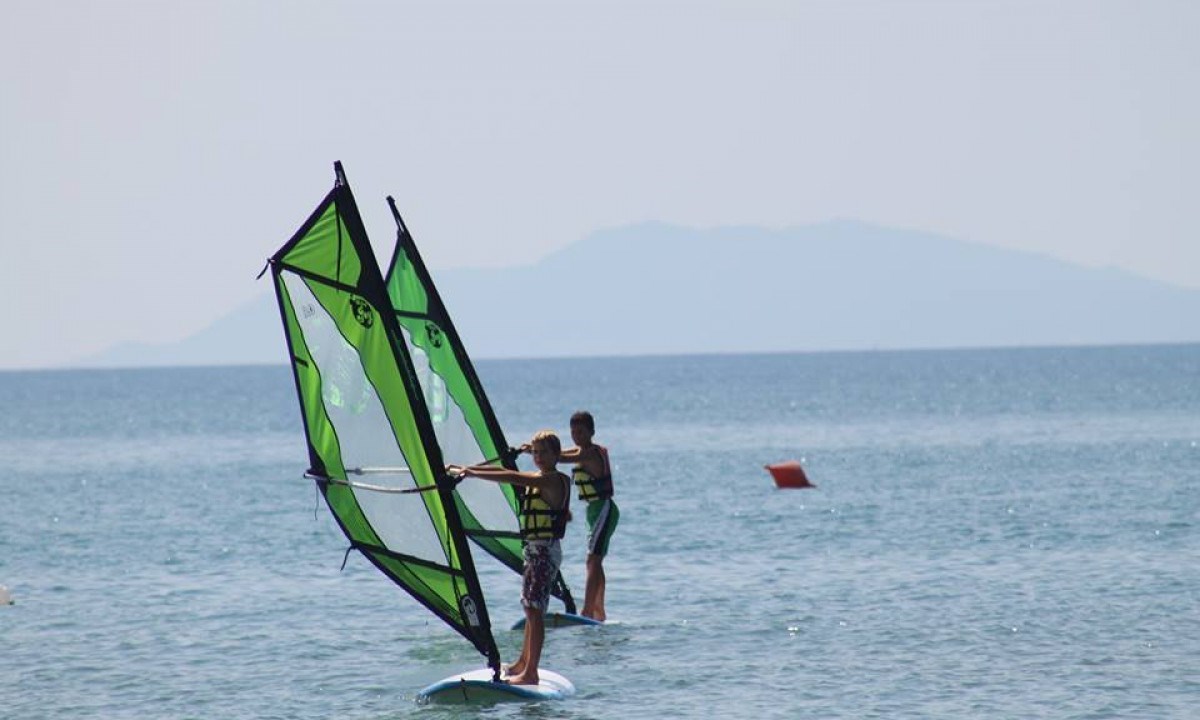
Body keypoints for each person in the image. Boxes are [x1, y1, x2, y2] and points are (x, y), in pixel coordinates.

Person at [449, 430, 570, 686]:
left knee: (535, 611)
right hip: (534, 551)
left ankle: (531, 672)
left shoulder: (552, 481)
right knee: (529, 608)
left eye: (543, 452)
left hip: (545, 552)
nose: (538, 457)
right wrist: (468, 470)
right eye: (535, 452)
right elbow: (514, 474)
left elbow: (511, 476)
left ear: (557, 455)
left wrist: (469, 472)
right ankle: (522, 663)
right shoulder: (540, 477)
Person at [558, 410, 619, 621]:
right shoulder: (580, 450)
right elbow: (562, 452)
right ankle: (598, 610)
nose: (577, 436)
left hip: (603, 509)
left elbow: (560, 457)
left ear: (591, 432)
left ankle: (587, 610)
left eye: (581, 432)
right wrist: (533, 450)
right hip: (593, 512)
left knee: (592, 561)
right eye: (573, 432)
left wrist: (539, 452)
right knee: (595, 562)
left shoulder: (590, 453)